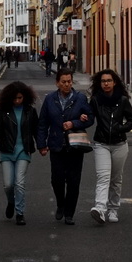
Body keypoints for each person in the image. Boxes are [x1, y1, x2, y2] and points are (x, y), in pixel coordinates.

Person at [37, 68, 93, 225]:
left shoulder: (80, 98)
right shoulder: (49, 100)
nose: (67, 84)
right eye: (64, 82)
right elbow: (43, 123)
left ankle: (69, 213)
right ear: (57, 83)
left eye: (69, 81)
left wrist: (75, 122)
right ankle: (60, 204)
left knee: (74, 181)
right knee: (57, 180)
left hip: (75, 146)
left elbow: (90, 119)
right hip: (56, 145)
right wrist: (41, 144)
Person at [89, 69, 132, 225]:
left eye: (109, 80)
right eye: (103, 81)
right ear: (100, 83)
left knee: (116, 179)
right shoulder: (96, 100)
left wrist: (120, 129)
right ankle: (100, 209)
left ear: (114, 82)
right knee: (103, 176)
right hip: (101, 143)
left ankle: (113, 209)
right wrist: (83, 117)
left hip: (119, 144)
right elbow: (90, 118)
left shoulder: (122, 100)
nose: (106, 84)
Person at [0, 81, 40, 225]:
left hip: (24, 150)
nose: (17, 101)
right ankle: (11, 202)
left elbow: (36, 130)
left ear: (25, 97)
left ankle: (20, 212)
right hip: (6, 151)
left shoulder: (30, 111)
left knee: (19, 182)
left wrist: (42, 146)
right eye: (15, 98)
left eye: (20, 98)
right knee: (8, 185)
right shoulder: (3, 111)